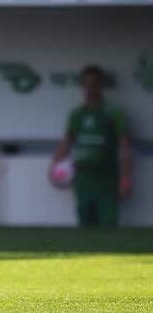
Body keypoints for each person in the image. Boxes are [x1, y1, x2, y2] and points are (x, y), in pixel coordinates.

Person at [50, 66, 132, 227]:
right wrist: (54, 167)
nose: (90, 89)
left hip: (107, 180)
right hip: (83, 181)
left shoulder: (114, 113)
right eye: (86, 85)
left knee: (108, 228)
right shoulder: (77, 115)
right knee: (85, 230)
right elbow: (67, 142)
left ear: (101, 86)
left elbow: (125, 148)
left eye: (94, 84)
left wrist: (126, 179)